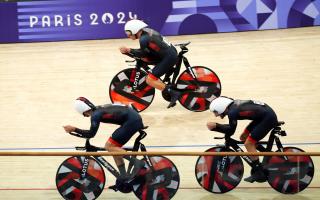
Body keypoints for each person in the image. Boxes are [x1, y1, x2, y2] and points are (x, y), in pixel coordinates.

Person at [63, 97, 145, 179]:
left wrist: (74, 129)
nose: (85, 116)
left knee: (109, 146)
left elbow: (91, 134)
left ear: (83, 111)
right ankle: (123, 178)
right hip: (132, 119)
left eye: (84, 115)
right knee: (114, 150)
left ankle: (137, 163)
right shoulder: (98, 110)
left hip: (132, 121)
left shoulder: (95, 115)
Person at [207, 96, 278, 183]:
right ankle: (268, 154)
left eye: (215, 111)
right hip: (263, 116)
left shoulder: (232, 112)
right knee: (243, 137)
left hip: (267, 118)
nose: (216, 115)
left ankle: (259, 171)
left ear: (220, 107)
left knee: (249, 144)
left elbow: (231, 130)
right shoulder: (233, 106)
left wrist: (216, 126)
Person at [119, 19, 181, 108]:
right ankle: (167, 84)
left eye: (128, 32)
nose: (128, 35)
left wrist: (129, 50)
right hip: (169, 53)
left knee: (150, 80)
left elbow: (142, 53)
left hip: (169, 58)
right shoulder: (147, 31)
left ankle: (174, 93)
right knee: (145, 60)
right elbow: (147, 52)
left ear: (135, 30)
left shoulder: (144, 39)